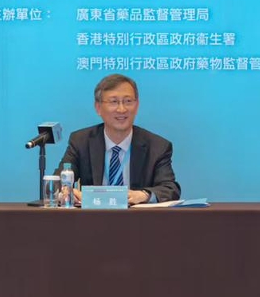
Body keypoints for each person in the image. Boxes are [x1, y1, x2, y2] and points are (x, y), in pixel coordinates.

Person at [58, 74, 180, 205]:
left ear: (137, 105)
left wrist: (143, 195)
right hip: (93, 216)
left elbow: (170, 189)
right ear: (98, 107)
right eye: (113, 102)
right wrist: (66, 191)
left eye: (128, 101)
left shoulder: (157, 147)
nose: (121, 109)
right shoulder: (81, 141)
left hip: (137, 217)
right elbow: (59, 180)